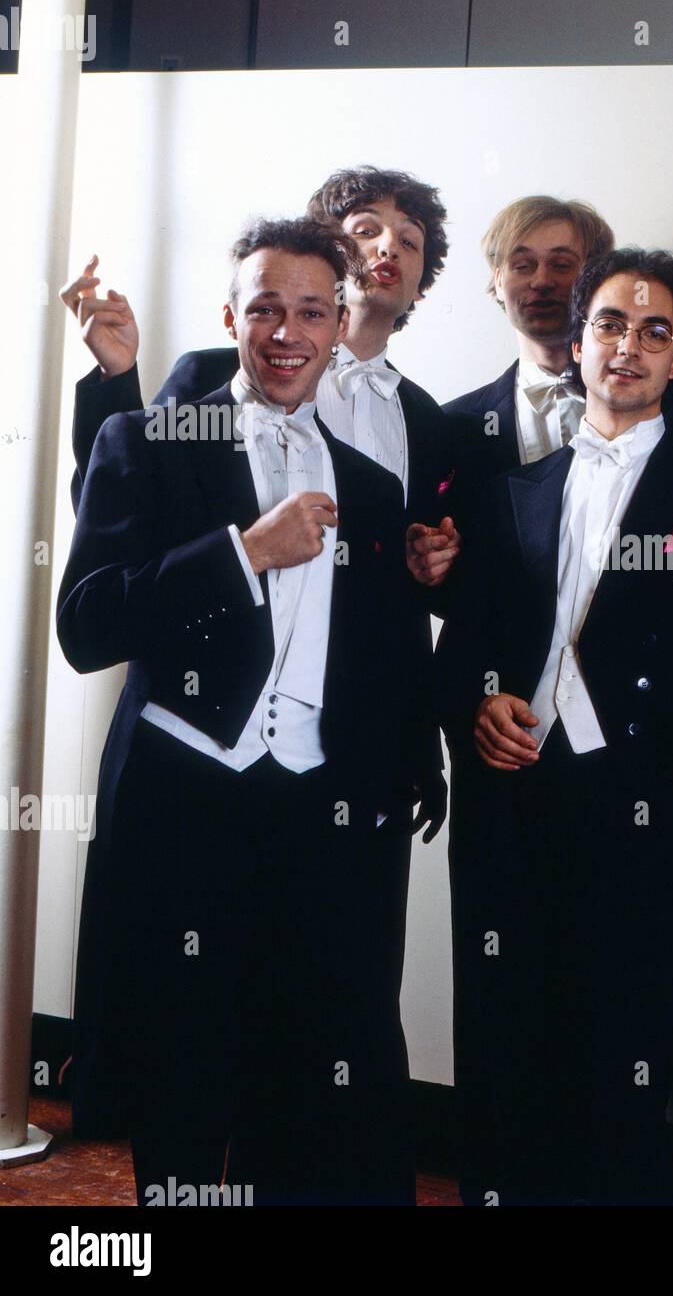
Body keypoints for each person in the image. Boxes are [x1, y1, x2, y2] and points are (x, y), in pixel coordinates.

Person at [58, 218, 437, 1205]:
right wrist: (243, 553)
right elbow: (88, 622)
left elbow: (390, 654)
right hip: (184, 818)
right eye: (264, 307)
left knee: (305, 1101)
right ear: (230, 315)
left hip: (319, 828)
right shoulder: (146, 440)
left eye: (312, 310)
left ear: (339, 323)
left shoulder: (372, 485)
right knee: (181, 1090)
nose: (286, 330)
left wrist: (412, 764)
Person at [437, 247, 673, 1205]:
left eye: (654, 330)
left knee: (624, 1063)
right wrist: (478, 699)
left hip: (648, 822)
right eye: (611, 325)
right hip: (511, 810)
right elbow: (464, 655)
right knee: (503, 1054)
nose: (628, 345)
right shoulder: (515, 494)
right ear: (577, 345)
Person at [63, 165, 461, 596]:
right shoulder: (209, 376)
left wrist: (429, 562)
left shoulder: (427, 418)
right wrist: (116, 378)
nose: (388, 247)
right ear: (325, 257)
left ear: (422, 285)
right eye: (365, 231)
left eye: (408, 241)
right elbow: (106, 514)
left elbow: (414, 563)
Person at [444, 196, 673, 520]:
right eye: (522, 265)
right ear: (498, 280)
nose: (540, 281)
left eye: (562, 264)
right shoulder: (452, 426)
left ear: (594, 279)